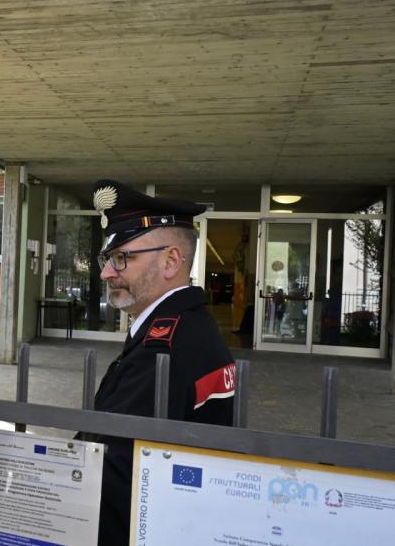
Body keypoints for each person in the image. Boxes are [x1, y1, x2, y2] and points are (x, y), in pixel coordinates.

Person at [81, 180, 236, 546]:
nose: (106, 273)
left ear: (170, 261)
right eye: (107, 259)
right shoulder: (185, 326)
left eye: (122, 258)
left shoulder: (166, 344)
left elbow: (115, 464)